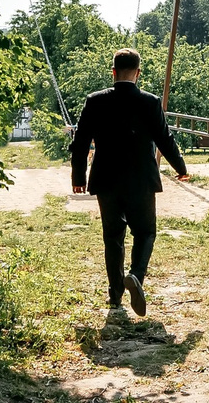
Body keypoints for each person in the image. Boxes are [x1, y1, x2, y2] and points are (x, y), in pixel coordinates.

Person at [68, 49, 189, 318]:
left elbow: (81, 141)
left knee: (113, 237)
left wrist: (78, 177)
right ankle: (135, 276)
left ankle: (115, 296)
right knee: (145, 233)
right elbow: (164, 138)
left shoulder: (95, 101)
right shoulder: (149, 101)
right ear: (138, 73)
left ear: (113, 72)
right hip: (141, 180)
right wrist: (180, 167)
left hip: (106, 180)